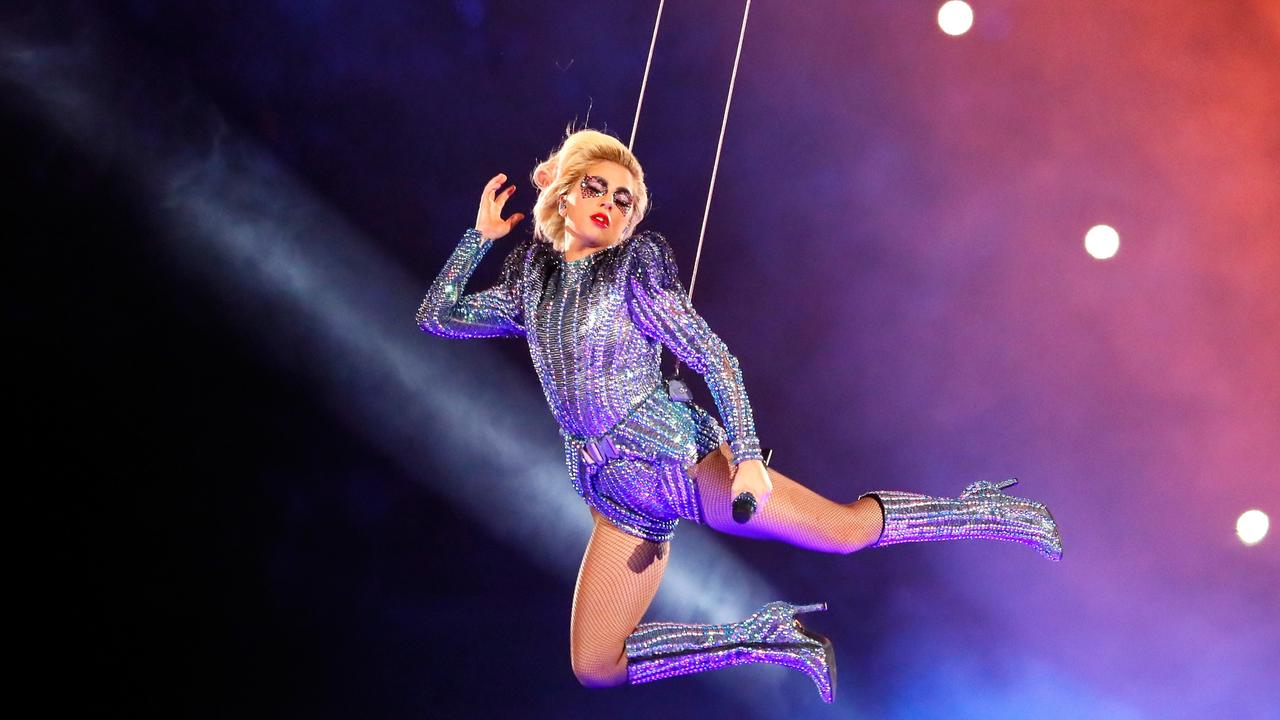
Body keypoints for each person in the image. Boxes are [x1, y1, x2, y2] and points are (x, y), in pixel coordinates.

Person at [416, 128, 1062, 704]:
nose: (611, 205)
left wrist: (748, 460)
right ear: (561, 193)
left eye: (624, 200)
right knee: (596, 665)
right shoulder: (534, 282)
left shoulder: (632, 273)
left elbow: (715, 360)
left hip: (678, 460)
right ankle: (768, 638)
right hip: (615, 493)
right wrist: (478, 239)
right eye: (597, 188)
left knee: (843, 532)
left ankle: (992, 512)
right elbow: (438, 316)